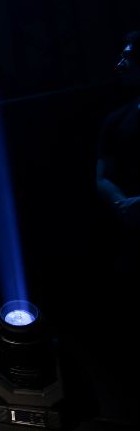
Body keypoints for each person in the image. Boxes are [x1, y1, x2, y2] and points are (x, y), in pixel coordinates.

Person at [95, 30, 140, 274]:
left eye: (127, 57)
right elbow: (103, 176)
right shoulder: (115, 121)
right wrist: (124, 205)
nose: (119, 65)